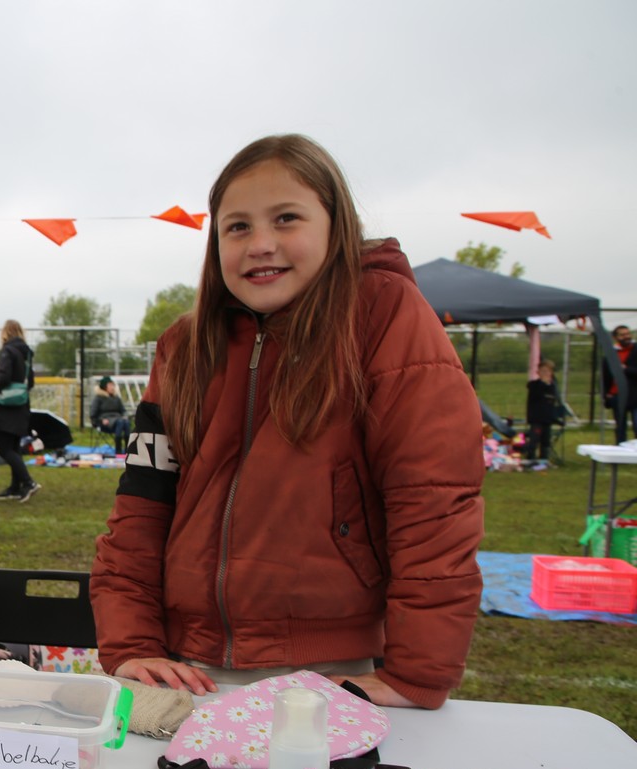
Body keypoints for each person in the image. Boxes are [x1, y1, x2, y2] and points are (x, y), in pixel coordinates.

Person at [90, 134, 483, 710]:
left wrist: (417, 673)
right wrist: (131, 644)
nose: (261, 244)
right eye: (238, 226)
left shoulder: (383, 315)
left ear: (336, 225)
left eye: (286, 218)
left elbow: (433, 505)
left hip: (331, 672)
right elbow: (141, 508)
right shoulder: (184, 346)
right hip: (186, 667)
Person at [0, 319, 39, 502]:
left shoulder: (7, 351)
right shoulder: (27, 353)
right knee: (15, 448)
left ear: (5, 333)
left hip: (5, 408)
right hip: (22, 406)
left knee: (4, 448)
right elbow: (30, 382)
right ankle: (15, 487)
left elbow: (3, 376)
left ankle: (28, 482)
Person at [525, 358, 563, 461]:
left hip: (547, 418)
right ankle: (531, 457)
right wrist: (543, 383)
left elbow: (553, 400)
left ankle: (544, 458)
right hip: (536, 418)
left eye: (547, 371)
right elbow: (536, 394)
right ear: (538, 372)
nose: (545, 374)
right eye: (543, 371)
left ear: (551, 373)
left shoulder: (552, 387)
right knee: (534, 438)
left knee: (546, 440)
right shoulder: (534, 385)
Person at [89, 375, 131, 453]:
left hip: (118, 420)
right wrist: (101, 421)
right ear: (104, 387)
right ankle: (118, 450)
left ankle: (128, 449)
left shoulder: (116, 398)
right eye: (110, 385)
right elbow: (93, 414)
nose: (112, 387)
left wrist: (125, 416)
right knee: (120, 422)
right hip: (105, 422)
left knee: (126, 422)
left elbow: (123, 411)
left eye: (113, 385)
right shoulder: (98, 398)